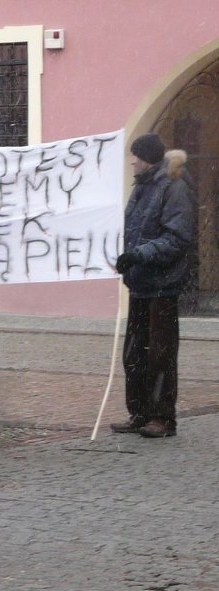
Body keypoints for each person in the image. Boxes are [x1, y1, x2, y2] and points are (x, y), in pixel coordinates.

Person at [112, 133, 194, 438]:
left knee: (159, 353)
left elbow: (177, 237)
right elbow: (132, 228)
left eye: (136, 155)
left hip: (163, 284)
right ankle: (140, 412)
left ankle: (162, 417)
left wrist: (139, 254)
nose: (132, 161)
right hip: (141, 282)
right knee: (134, 353)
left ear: (148, 157)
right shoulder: (143, 186)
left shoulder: (173, 186)